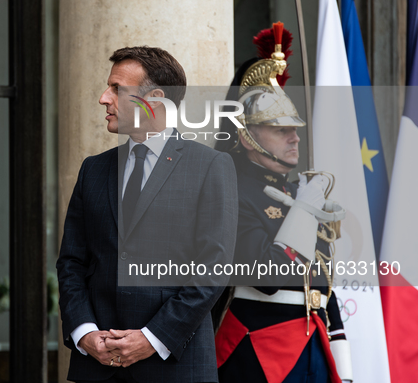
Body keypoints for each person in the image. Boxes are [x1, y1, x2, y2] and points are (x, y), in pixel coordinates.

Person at [57, 46, 238, 383]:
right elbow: (71, 263)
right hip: (97, 367)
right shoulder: (93, 170)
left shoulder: (210, 166)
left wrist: (151, 338)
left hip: (175, 368)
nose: (103, 98)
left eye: (116, 89)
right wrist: (83, 331)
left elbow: (214, 268)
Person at [213, 25, 353, 383]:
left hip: (314, 343)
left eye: (295, 128)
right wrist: (305, 211)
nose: (294, 138)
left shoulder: (297, 191)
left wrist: (344, 364)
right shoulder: (230, 190)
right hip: (258, 348)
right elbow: (267, 277)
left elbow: (322, 281)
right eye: (280, 129)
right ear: (246, 135)